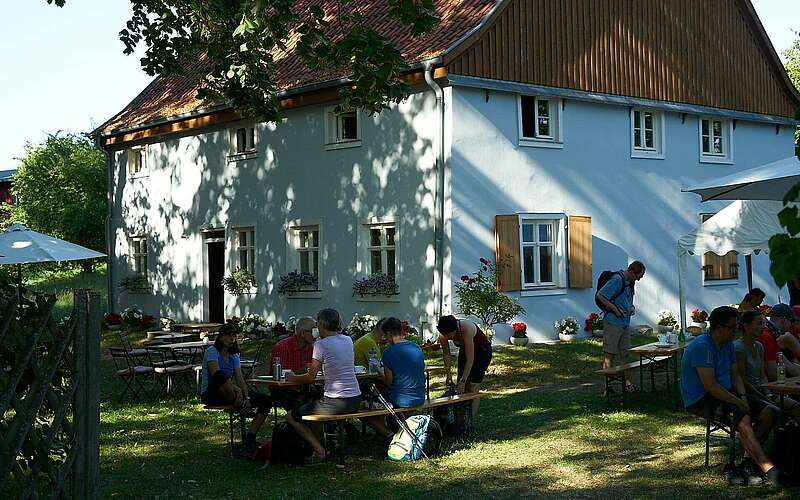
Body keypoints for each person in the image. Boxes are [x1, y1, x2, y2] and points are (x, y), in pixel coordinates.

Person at [681, 306, 779, 486]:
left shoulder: (727, 345)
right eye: (733, 327)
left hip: (726, 392)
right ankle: (769, 469)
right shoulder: (702, 347)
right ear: (719, 328)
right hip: (702, 399)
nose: (736, 330)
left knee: (771, 411)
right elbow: (710, 386)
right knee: (743, 420)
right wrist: (738, 402)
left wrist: (742, 396)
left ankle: (748, 461)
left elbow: (736, 376)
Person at [285, 308, 361, 464]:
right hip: (355, 398)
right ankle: (324, 444)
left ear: (321, 324)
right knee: (315, 415)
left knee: (291, 416)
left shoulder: (321, 345)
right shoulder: (347, 340)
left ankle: (319, 451)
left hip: (336, 401)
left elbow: (310, 377)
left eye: (317, 323)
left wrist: (291, 378)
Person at [200, 323, 272, 452]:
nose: (232, 338)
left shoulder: (234, 355)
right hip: (212, 393)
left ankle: (250, 438)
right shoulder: (212, 351)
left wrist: (247, 396)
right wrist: (237, 390)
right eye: (229, 335)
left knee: (266, 401)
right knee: (220, 376)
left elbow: (239, 379)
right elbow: (216, 374)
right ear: (221, 337)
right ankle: (241, 405)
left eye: (234, 336)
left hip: (231, 393)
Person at [361, 317, 426, 439]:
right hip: (420, 396)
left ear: (389, 334)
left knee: (363, 406)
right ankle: (394, 429)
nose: (384, 338)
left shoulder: (388, 352)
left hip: (401, 399)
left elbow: (388, 382)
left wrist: (379, 372)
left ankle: (389, 435)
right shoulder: (416, 347)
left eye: (385, 335)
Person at [736, 310, 800, 417]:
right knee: (777, 411)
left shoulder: (759, 346)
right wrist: (765, 396)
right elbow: (742, 380)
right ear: (746, 326)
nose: (763, 327)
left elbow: (762, 375)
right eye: (759, 324)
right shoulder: (739, 348)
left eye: (764, 323)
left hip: (764, 392)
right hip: (750, 395)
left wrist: (768, 394)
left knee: (796, 406)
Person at [595, 260, 646, 391]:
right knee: (609, 355)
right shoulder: (617, 280)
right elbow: (600, 295)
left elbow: (626, 299)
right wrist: (615, 309)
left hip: (625, 324)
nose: (638, 280)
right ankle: (608, 387)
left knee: (625, 354)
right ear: (631, 271)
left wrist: (631, 307)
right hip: (613, 323)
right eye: (638, 276)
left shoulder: (630, 282)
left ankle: (628, 384)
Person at [436, 315, 491, 419]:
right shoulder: (443, 333)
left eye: (449, 335)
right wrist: (448, 375)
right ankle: (461, 417)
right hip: (464, 351)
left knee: (472, 386)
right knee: (461, 388)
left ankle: (470, 421)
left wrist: (463, 380)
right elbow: (446, 354)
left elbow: (470, 359)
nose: (447, 337)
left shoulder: (466, 328)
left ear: (455, 329)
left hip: (482, 352)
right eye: (445, 335)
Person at [268, 316, 317, 411]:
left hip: (304, 387)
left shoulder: (311, 347)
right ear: (303, 333)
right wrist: (303, 371)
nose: (316, 335)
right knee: (305, 409)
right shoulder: (282, 347)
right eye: (313, 331)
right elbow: (279, 377)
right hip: (284, 390)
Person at [758, 303, 800, 379]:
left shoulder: (773, 334)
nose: (791, 326)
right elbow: (773, 374)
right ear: (784, 320)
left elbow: (785, 363)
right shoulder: (767, 337)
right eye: (791, 322)